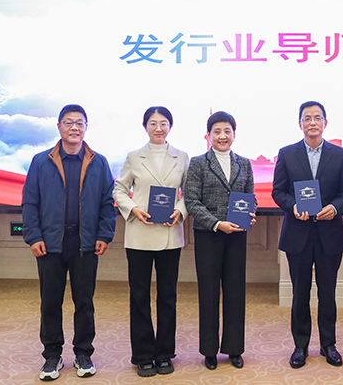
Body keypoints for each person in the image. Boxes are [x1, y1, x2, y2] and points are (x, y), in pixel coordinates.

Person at [22, 104, 116, 381]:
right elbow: (30, 201)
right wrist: (33, 236)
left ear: (86, 127)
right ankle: (52, 355)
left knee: (84, 302)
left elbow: (107, 203)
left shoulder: (98, 162)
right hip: (50, 242)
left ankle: (83, 353)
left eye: (79, 123)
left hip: (85, 243)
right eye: (68, 122)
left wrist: (104, 235)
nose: (74, 127)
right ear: (59, 127)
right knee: (50, 302)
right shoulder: (41, 161)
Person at [272, 101, 343, 369]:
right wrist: (293, 206)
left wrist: (335, 208)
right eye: (307, 118)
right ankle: (300, 346)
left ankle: (329, 344)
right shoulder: (287, 154)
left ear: (325, 123)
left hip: (329, 234)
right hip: (297, 234)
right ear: (300, 124)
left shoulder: (339, 155)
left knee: (328, 293)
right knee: (300, 293)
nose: (312, 122)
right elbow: (278, 192)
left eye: (317, 118)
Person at [113, 106, 189, 377]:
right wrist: (133, 209)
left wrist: (180, 210)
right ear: (145, 126)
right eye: (153, 123)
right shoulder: (135, 157)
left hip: (170, 234)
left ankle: (165, 353)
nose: (159, 128)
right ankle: (143, 355)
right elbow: (119, 189)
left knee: (168, 296)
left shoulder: (182, 157)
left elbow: (189, 192)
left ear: (170, 126)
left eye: (163, 123)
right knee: (139, 296)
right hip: (139, 235)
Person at [184, 111, 255, 371]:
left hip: (236, 235)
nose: (222, 136)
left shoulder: (244, 163)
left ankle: (234, 349)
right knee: (209, 292)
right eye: (217, 131)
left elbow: (251, 197)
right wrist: (216, 223)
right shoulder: (198, 163)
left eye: (227, 131)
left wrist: (250, 213)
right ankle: (209, 351)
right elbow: (191, 201)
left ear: (234, 134)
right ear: (208, 136)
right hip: (208, 235)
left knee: (236, 292)